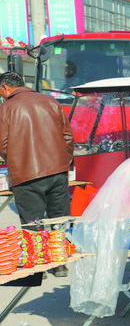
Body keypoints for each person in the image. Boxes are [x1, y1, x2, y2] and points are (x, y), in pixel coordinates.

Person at [0, 72, 75, 276]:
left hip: (26, 175)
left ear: (5, 88)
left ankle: (39, 267)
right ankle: (60, 264)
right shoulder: (50, 101)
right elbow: (68, 136)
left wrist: (16, 160)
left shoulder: (5, 108)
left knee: (32, 222)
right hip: (58, 171)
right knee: (58, 220)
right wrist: (63, 161)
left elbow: (3, 145)